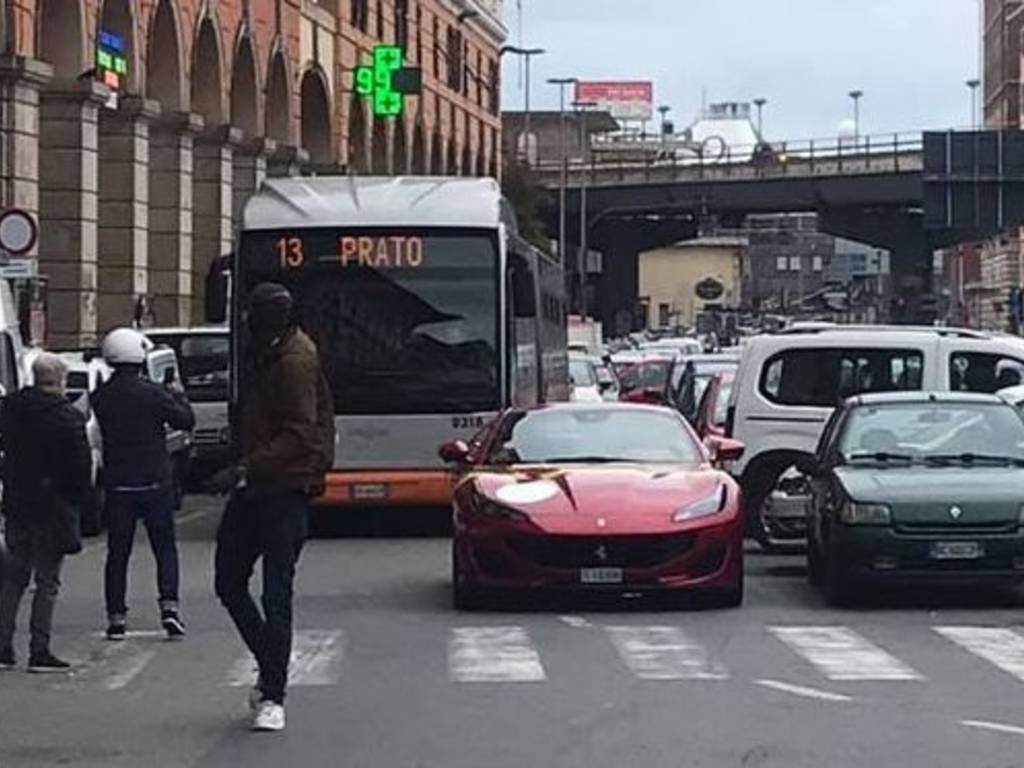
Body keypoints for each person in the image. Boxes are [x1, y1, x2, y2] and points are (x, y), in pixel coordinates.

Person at [211, 283, 334, 733]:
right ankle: (271, 662)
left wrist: (243, 466)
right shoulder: (267, 352)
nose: (245, 321)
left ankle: (274, 695)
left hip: (284, 487)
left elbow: (300, 432)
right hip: (258, 485)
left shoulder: (294, 361)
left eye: (252, 314)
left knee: (275, 591)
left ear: (269, 318)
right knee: (228, 581)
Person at [92, 328, 195, 642]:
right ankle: (169, 607)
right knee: (164, 548)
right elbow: (185, 420)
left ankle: (116, 617)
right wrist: (176, 393)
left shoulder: (102, 397)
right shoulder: (153, 393)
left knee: (118, 553)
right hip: (154, 480)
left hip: (119, 483)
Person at [0, 353, 91, 672]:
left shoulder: (9, 410)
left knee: (14, 577)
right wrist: (76, 500)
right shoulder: (67, 418)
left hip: (17, 503)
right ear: (60, 380)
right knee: (47, 581)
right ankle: (40, 649)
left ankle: (3, 647)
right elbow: (80, 467)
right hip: (52, 507)